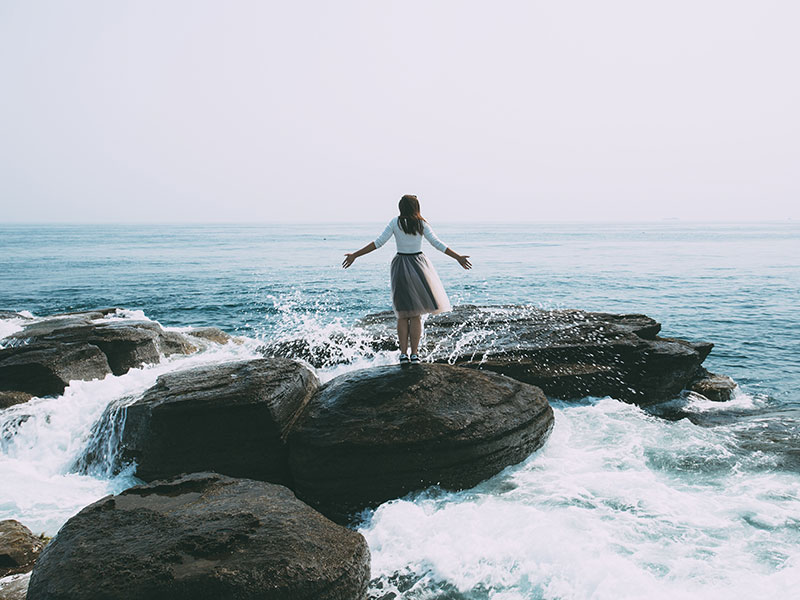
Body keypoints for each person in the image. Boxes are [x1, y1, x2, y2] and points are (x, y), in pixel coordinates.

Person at [342, 195, 471, 364]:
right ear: (416, 207)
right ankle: (415, 354)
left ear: (401, 207)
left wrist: (355, 255)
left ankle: (403, 354)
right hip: (419, 266)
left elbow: (378, 243)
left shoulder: (395, 222)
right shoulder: (421, 223)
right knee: (416, 315)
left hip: (400, 266)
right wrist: (457, 257)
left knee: (403, 314)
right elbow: (437, 243)